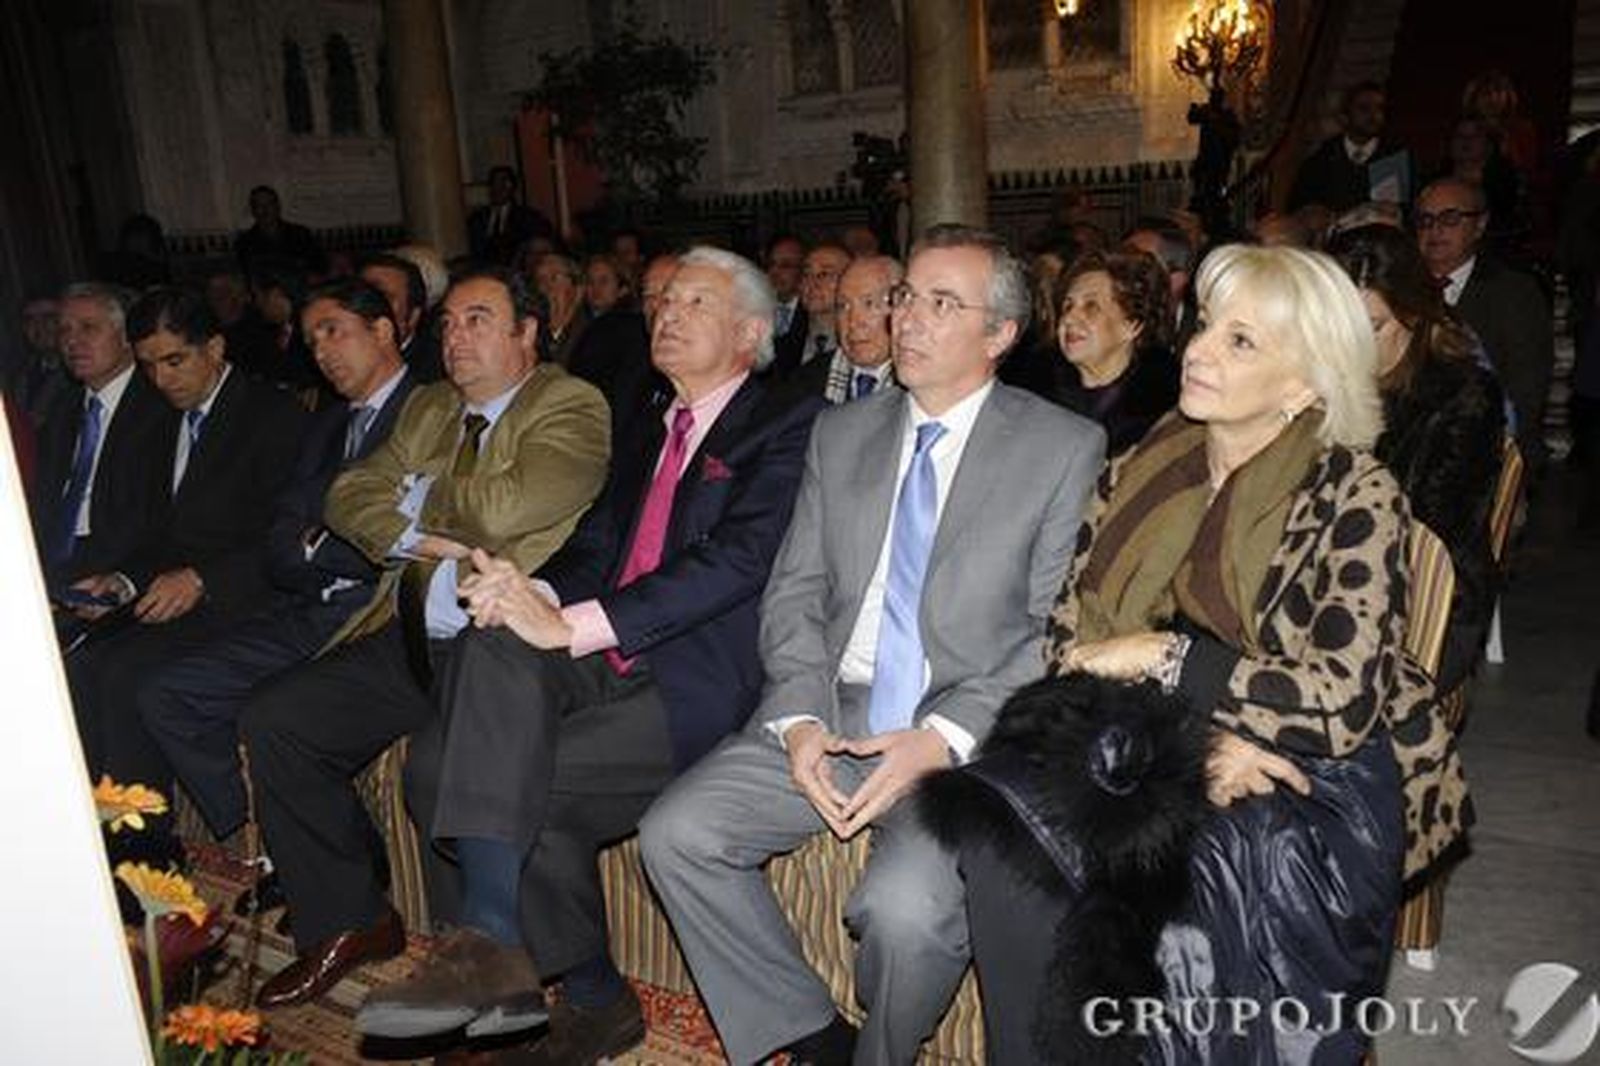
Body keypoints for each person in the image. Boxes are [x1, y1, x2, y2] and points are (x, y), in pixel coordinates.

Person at [943, 244, 1466, 1063]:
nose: (1199, 349)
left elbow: (1339, 699)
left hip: (1308, 767)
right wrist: (1186, 735)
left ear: (1305, 383)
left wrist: (1168, 658)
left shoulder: (1354, 491)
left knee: (1193, 884)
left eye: (1241, 341)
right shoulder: (1137, 468)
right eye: (1207, 326)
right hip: (1146, 732)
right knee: (1000, 820)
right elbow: (1068, 643)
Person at [640, 224, 1106, 1066]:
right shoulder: (842, 432)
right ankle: (810, 1034)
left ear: (998, 335)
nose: (909, 320)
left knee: (903, 913)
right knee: (677, 832)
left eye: (941, 303)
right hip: (841, 703)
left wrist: (943, 737)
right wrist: (799, 718)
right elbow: (795, 591)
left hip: (968, 733)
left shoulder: (1062, 448)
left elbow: (1056, 631)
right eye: (905, 299)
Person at [356, 246, 824, 1062]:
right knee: (486, 656)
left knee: (481, 780)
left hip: (694, 679)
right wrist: (529, 593)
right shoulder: (648, 420)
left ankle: (579, 989)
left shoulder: (789, 422)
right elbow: (597, 545)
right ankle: (501, 949)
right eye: (664, 300)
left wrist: (574, 625)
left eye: (695, 304)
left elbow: (739, 561)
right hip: (601, 657)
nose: (667, 314)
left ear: (750, 332)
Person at [243, 267, 611, 1011]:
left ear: (527, 333)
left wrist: (414, 498)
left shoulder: (570, 402)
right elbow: (347, 494)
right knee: (276, 720)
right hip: (407, 635)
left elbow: (513, 507)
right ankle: (350, 919)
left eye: (478, 319)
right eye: (446, 324)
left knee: (442, 774)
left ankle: (479, 976)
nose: (455, 337)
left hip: (494, 648)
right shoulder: (432, 408)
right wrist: (423, 531)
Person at [133, 278, 416, 862]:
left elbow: (397, 530)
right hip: (305, 600)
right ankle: (281, 834)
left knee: (265, 711)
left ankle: (301, 844)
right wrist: (312, 548)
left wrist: (318, 547)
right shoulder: (331, 423)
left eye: (333, 331)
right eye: (311, 340)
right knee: (165, 692)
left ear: (383, 331)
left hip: (375, 609)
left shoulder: (427, 410)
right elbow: (282, 531)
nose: (321, 352)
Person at [69, 286, 305, 868]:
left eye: (175, 360)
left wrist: (203, 578)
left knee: (127, 674)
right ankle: (100, 832)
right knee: (79, 663)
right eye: (149, 365)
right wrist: (122, 582)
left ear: (215, 348)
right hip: (177, 594)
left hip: (249, 596)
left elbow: (288, 536)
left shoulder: (271, 416)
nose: (162, 378)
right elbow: (158, 535)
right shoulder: (163, 423)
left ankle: (143, 851)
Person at [1329, 223, 1506, 691]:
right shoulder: (1319, 381)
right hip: (1329, 577)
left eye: (1372, 328)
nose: (1354, 346)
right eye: (1340, 328)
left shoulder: (1463, 392)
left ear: (1414, 313)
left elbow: (1434, 527)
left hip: (1427, 595)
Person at [29, 284, 174, 603]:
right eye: (64, 329)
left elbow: (163, 519)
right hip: (49, 565)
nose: (71, 341)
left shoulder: (161, 407)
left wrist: (125, 578)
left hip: (117, 570)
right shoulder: (62, 411)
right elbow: (43, 503)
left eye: (88, 328)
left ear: (126, 338)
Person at [1416, 176, 1553, 476]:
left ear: (1479, 225)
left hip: (1493, 450)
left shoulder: (1514, 292)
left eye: (1450, 218)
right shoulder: (1402, 290)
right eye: (1425, 220)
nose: (1434, 229)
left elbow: (1526, 391)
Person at [1048, 250, 1179, 456]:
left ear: (1132, 325)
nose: (1069, 319)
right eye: (1067, 306)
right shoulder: (1035, 402)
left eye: (1091, 306)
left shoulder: (1163, 419)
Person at [788, 255, 903, 404]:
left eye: (869, 304)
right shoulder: (805, 383)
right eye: (843, 306)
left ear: (901, 307)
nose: (853, 321)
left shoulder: (919, 384)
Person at [1289, 81, 1411, 214]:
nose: (1374, 115)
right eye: (1364, 108)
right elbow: (1299, 208)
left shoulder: (1394, 159)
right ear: (1344, 117)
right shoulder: (1321, 161)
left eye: (1380, 108)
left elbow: (1404, 210)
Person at [361, 252, 443, 382]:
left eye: (383, 298)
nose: (366, 307)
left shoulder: (437, 371)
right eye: (360, 299)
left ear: (413, 316)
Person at [469, 165, 557, 267]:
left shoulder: (528, 217)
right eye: (494, 183)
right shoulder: (478, 218)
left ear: (513, 187)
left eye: (503, 183)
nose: (498, 188)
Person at [235, 186, 324, 278]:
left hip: (302, 284)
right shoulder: (244, 242)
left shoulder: (300, 233)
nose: (265, 210)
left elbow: (321, 264)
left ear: (278, 206)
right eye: (259, 205)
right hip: (266, 289)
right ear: (253, 211)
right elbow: (246, 274)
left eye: (269, 204)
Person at [534, 253, 590, 367]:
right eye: (540, 279)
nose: (546, 286)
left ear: (578, 289)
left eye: (554, 278)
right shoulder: (533, 329)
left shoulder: (591, 331)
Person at [766, 234, 808, 373]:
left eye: (786, 266)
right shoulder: (756, 308)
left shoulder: (811, 311)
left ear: (803, 271)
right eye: (771, 264)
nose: (774, 272)